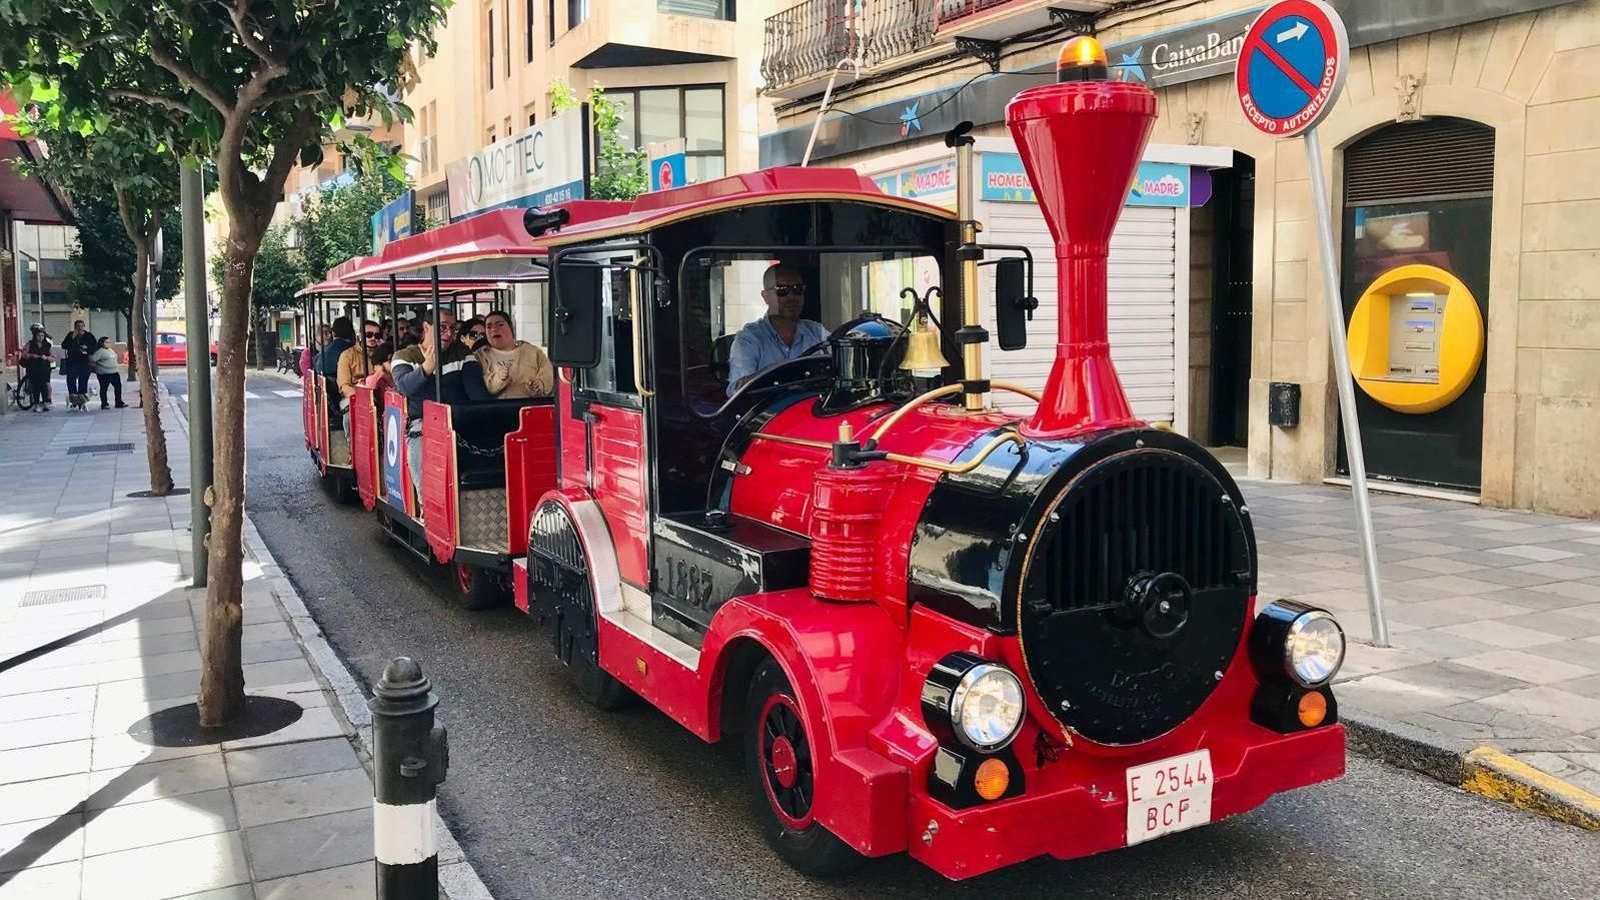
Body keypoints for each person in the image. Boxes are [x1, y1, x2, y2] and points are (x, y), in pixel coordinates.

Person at [391, 309, 472, 504]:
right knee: (419, 439)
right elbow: (405, 386)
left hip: (459, 415)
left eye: (453, 328)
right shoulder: (404, 355)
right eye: (442, 327)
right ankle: (426, 501)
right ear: (427, 328)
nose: (449, 333)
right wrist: (427, 368)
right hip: (423, 420)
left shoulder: (462, 353)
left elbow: (474, 387)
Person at [726, 264, 828, 396]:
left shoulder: (817, 332)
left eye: (798, 289)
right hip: (769, 414)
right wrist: (775, 372)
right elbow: (737, 390)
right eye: (782, 290)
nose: (791, 297)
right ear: (766, 296)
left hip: (812, 411)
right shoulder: (749, 339)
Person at [464, 311, 553, 400]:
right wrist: (498, 379)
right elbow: (476, 387)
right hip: (496, 411)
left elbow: (549, 375)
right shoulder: (479, 356)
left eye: (500, 325)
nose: (494, 329)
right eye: (489, 326)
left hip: (530, 409)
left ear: (511, 327)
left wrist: (540, 384)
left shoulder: (533, 352)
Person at [336, 320, 383, 433]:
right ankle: (352, 444)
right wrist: (362, 397)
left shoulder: (382, 353)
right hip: (354, 395)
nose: (373, 339)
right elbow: (344, 386)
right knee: (350, 414)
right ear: (360, 336)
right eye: (368, 335)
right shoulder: (347, 355)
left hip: (378, 394)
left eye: (376, 336)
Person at [60, 319, 97, 410]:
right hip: (72, 361)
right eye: (78, 326)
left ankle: (81, 400)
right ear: (75, 327)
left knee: (83, 381)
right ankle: (73, 399)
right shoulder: (71, 335)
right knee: (71, 380)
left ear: (84, 326)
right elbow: (64, 345)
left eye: (81, 326)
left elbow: (94, 347)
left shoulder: (89, 336)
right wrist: (72, 337)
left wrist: (87, 349)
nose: (80, 328)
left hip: (84, 362)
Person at [20, 324, 53, 411]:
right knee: (36, 386)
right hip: (33, 368)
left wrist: (47, 358)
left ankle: (45, 402)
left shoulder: (47, 345)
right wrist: (32, 355)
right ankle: (37, 404)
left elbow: (53, 357)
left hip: (44, 368)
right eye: (38, 335)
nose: (40, 337)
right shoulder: (30, 344)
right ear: (35, 336)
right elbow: (24, 354)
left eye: (42, 336)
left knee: (44, 386)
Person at [91, 337, 126, 409]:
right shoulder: (100, 351)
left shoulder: (111, 350)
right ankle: (104, 404)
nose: (109, 344)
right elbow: (93, 359)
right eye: (106, 342)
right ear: (102, 343)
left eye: (109, 342)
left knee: (118, 387)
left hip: (114, 372)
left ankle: (118, 402)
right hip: (104, 373)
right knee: (104, 388)